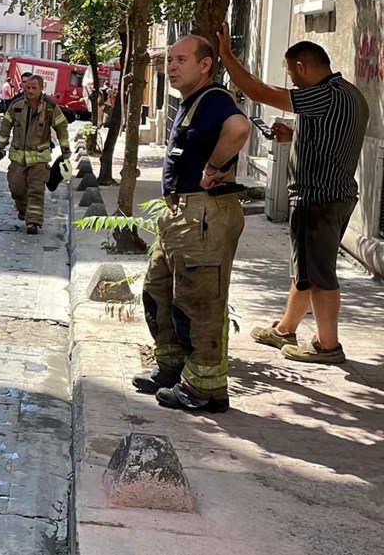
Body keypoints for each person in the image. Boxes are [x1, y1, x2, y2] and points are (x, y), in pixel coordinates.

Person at [216, 27, 369, 365]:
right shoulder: (350, 94)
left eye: (289, 73)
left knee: (319, 273)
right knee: (308, 267)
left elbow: (258, 91)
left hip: (318, 198)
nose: (291, 81)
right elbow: (331, 136)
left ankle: (328, 346)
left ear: (301, 67)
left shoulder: (322, 93)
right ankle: (285, 329)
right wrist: (294, 134)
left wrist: (226, 55)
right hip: (340, 195)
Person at [131, 35, 252, 413]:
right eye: (169, 60)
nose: (172, 66)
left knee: (200, 301)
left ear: (205, 65)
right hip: (180, 214)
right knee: (159, 291)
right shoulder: (192, 102)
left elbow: (240, 129)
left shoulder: (214, 99)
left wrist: (214, 167)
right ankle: (172, 368)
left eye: (181, 59)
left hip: (204, 214)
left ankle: (205, 389)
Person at [0, 75, 69, 234]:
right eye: (27, 87)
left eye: (34, 88)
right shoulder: (16, 105)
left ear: (41, 88)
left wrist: (65, 149)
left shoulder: (50, 107)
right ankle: (22, 208)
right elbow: (5, 126)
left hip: (39, 158)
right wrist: (1, 146)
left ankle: (33, 222)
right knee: (16, 187)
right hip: (18, 158)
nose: (30, 91)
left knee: (36, 190)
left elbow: (61, 127)